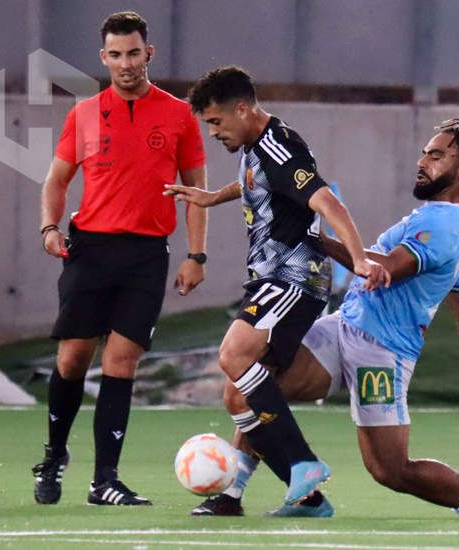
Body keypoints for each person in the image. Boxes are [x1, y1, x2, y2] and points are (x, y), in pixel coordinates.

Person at [198, 119, 459, 519]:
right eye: (424, 152)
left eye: (436, 155)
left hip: (382, 353)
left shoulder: (445, 226)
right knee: (256, 382)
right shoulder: (431, 220)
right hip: (344, 327)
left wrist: (318, 240)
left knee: (390, 469)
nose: (423, 161)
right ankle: (246, 494)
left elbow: (390, 267)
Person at [163, 66, 389, 516]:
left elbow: (327, 201)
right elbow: (259, 181)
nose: (212, 133)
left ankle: (302, 461)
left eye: (216, 122)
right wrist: (212, 196)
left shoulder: (278, 144)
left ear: (243, 109)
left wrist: (359, 258)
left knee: (232, 354)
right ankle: (284, 498)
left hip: (293, 279)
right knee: (239, 394)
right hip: (272, 278)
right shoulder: (254, 145)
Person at [32, 11, 208, 506]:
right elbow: (56, 180)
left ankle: (104, 480)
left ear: (148, 53)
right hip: (90, 249)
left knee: (122, 361)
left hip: (146, 255)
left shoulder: (177, 115)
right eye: (116, 55)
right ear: (103, 58)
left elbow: (195, 190)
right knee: (72, 357)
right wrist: (49, 226)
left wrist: (197, 255)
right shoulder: (84, 113)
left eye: (134, 53)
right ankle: (54, 454)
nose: (126, 63)